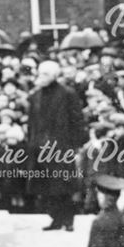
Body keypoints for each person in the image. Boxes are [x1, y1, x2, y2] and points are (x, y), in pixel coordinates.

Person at [27, 60, 86, 231]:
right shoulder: (36, 96)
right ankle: (55, 219)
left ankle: (68, 220)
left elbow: (77, 120)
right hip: (40, 147)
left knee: (64, 184)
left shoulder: (67, 94)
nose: (41, 77)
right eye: (40, 73)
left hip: (61, 146)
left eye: (45, 74)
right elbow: (32, 123)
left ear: (54, 75)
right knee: (46, 186)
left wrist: (75, 145)